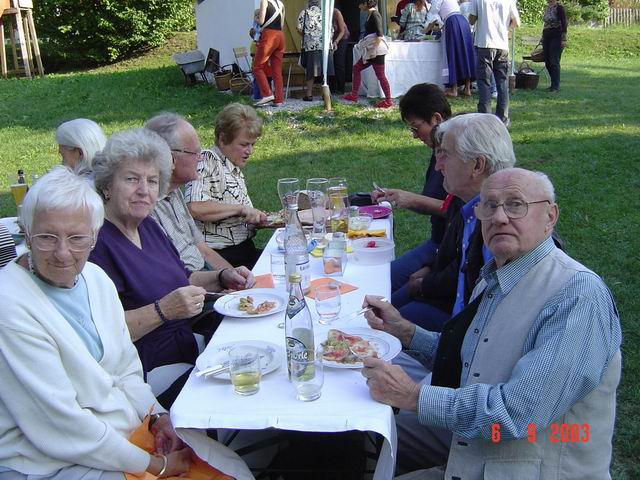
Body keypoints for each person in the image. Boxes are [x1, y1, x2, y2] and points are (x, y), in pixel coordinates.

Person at [361, 167, 622, 478]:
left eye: (515, 205)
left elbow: (515, 414)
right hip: (477, 444)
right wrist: (404, 331)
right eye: (489, 206)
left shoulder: (577, 297)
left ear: (550, 216)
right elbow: (470, 359)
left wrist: (413, 396)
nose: (499, 217)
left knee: (369, 442)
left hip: (527, 466)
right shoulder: (497, 277)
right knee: (362, 437)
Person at [0, 166, 254, 480]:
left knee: (230, 468)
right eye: (47, 238)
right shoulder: (10, 306)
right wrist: (154, 466)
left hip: (121, 433)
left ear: (94, 237)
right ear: (26, 234)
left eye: (77, 238)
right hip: (51, 460)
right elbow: (61, 425)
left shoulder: (94, 278)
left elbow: (125, 367)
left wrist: (158, 417)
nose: (63, 253)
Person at [89, 128, 255, 407]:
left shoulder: (148, 226)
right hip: (148, 371)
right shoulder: (97, 245)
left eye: (152, 181)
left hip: (189, 347)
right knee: (247, 383)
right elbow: (101, 332)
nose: (144, 190)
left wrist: (222, 276)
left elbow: (182, 278)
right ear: (106, 185)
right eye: (131, 179)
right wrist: (162, 311)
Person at [391, 113, 513, 330]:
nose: (438, 166)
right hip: (453, 315)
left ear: (477, 165)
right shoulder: (468, 205)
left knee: (383, 322)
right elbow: (461, 261)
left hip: (465, 334)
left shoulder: (502, 229)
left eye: (445, 155)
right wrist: (429, 271)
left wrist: (425, 285)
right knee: (381, 308)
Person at [371, 83, 450, 292]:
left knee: (380, 287)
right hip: (438, 245)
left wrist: (411, 199)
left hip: (447, 251)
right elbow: (437, 203)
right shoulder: (439, 151)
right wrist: (397, 196)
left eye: (416, 128)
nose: (415, 136)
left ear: (436, 119)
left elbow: (459, 209)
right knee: (379, 281)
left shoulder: (455, 156)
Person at [145, 112, 234, 272]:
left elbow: (204, 251)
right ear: (170, 158)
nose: (200, 158)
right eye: (195, 153)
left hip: (207, 275)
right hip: (191, 283)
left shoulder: (174, 191)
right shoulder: (145, 208)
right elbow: (172, 275)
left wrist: (239, 278)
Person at [186, 103, 267, 269]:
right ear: (222, 139)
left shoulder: (231, 167)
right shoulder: (207, 159)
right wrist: (241, 209)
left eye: (252, 145)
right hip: (223, 259)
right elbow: (195, 207)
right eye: (244, 144)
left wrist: (256, 219)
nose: (250, 151)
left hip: (245, 251)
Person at [468, 0, 520, 126]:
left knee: (484, 81)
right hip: (502, 45)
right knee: (502, 82)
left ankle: (485, 118)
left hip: (484, 44)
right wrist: (505, 27)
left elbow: (471, 20)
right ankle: (503, 118)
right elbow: (516, 23)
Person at [342, 0, 393, 109]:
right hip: (371, 50)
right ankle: (354, 95)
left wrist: (373, 50)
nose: (359, 6)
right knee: (357, 68)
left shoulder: (375, 15)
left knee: (380, 75)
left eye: (360, 4)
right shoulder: (370, 14)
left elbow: (380, 34)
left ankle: (388, 100)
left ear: (366, 4)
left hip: (376, 51)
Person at [423, 0, 475, 97]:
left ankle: (454, 89)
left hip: (452, 22)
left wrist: (425, 30)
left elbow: (433, 16)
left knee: (452, 52)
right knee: (465, 53)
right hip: (463, 21)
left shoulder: (436, 1)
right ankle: (467, 88)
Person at [297, 0, 334, 102]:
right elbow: (331, 30)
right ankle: (325, 94)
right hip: (325, 45)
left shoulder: (304, 12)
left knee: (310, 70)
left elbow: (299, 28)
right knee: (325, 70)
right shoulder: (325, 14)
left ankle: (309, 94)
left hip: (311, 45)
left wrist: (307, 36)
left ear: (309, 3)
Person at [253, 0, 286, 107]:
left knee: (257, 66)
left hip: (269, 36)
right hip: (280, 36)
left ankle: (267, 94)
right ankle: (279, 99)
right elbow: (281, 24)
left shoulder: (264, 1)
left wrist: (255, 19)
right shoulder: (281, 3)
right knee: (277, 71)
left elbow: (261, 21)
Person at [542, 0, 567, 92]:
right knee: (547, 60)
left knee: (554, 60)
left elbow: (564, 22)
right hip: (546, 35)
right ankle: (553, 83)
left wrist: (564, 39)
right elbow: (545, 23)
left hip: (556, 35)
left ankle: (555, 86)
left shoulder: (559, 8)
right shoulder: (547, 7)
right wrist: (542, 37)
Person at [331, 2, 350, 95]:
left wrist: (336, 42)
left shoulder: (336, 12)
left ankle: (341, 88)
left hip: (341, 38)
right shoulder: (321, 15)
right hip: (331, 39)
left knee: (339, 62)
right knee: (330, 63)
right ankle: (332, 88)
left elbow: (342, 31)